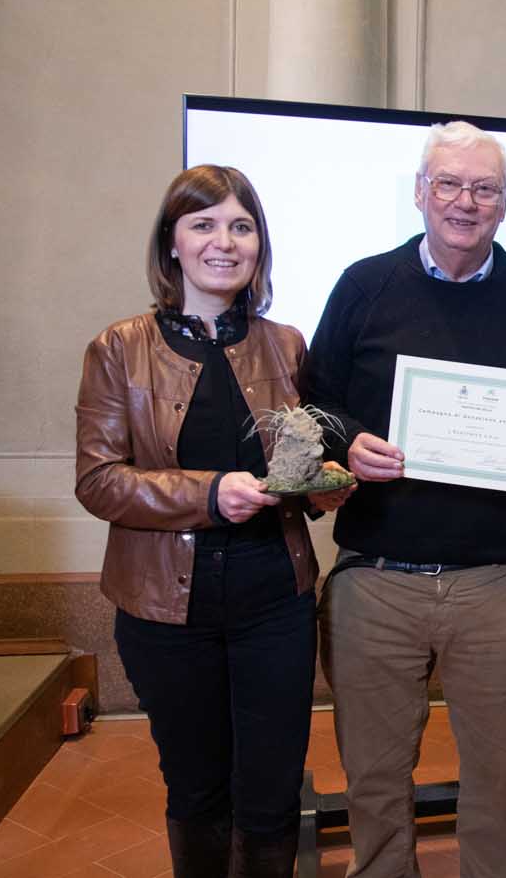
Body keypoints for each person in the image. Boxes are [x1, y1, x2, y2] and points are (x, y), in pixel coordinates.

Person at [306, 120, 506, 877]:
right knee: (374, 779)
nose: (465, 201)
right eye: (449, 183)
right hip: (377, 580)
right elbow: (313, 403)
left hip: (499, 585)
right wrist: (350, 441)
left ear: (505, 203)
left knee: (498, 780)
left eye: (484, 188)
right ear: (419, 192)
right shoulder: (363, 286)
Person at [75, 165, 352, 877]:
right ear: (171, 242)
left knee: (271, 795)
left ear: (259, 244)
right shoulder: (119, 347)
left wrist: (327, 488)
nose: (223, 242)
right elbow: (98, 481)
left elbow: (299, 469)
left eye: (241, 226)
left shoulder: (286, 344)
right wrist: (209, 495)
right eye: (203, 224)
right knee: (197, 790)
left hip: (275, 602)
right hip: (166, 612)